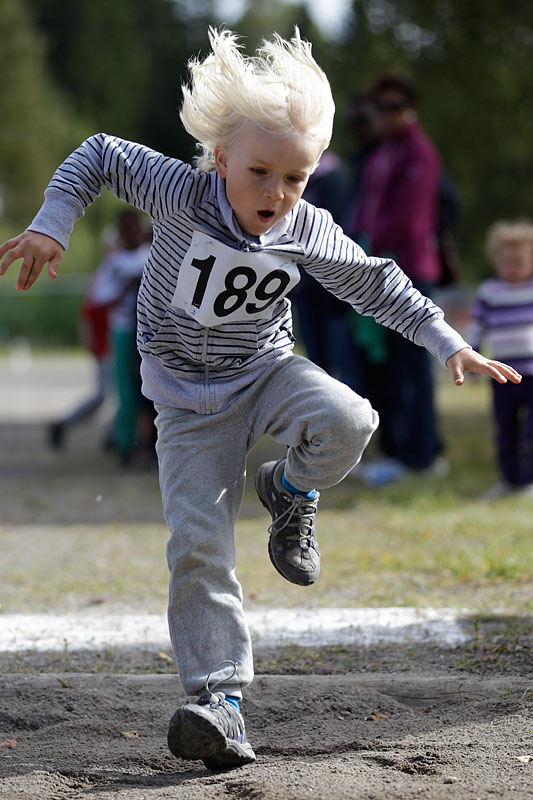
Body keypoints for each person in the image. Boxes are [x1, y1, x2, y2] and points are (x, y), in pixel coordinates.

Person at [0, 28, 520, 772]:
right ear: (219, 160)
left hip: (266, 371)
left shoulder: (303, 225)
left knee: (350, 417)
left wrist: (447, 342)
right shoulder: (178, 190)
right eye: (259, 173)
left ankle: (289, 489)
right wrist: (53, 223)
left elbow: (374, 280)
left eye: (295, 178)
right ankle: (220, 702)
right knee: (199, 548)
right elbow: (98, 154)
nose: (276, 195)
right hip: (186, 403)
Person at [349, 73, 445, 484]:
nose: (387, 114)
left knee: (414, 367)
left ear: (410, 109)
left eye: (395, 106)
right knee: (388, 368)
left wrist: (366, 246)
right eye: (381, 107)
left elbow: (410, 219)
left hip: (410, 269)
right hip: (379, 268)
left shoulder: (419, 153)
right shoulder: (381, 152)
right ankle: (400, 450)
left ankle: (423, 456)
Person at [468, 220, 533, 498]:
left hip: (532, 374)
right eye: (507, 262)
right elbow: (475, 329)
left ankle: (528, 481)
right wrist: (472, 361)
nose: (513, 268)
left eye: (520, 262)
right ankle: (509, 479)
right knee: (506, 427)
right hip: (502, 375)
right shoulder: (489, 292)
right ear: (495, 260)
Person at [89, 209, 156, 466]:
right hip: (124, 329)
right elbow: (99, 299)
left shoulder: (151, 254)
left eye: (134, 227)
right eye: (125, 228)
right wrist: (125, 289)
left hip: (151, 329)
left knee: (153, 388)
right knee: (126, 391)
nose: (130, 233)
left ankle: (151, 445)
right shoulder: (113, 263)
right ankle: (125, 444)